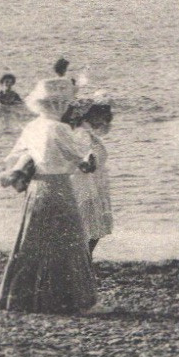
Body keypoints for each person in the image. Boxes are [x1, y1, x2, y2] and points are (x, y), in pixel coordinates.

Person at [0, 78, 99, 314]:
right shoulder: (59, 128)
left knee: (31, 242)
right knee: (67, 242)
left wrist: (16, 172)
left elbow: (14, 157)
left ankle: (22, 299)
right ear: (59, 104)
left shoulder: (32, 127)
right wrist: (89, 162)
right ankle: (68, 301)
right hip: (59, 187)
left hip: (36, 189)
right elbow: (79, 159)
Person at [68, 98, 114, 254]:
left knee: (92, 227)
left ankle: (85, 260)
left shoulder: (87, 132)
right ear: (90, 116)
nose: (103, 122)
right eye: (100, 116)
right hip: (86, 184)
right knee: (90, 227)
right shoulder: (82, 133)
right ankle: (84, 261)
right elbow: (84, 156)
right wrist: (90, 159)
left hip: (93, 183)